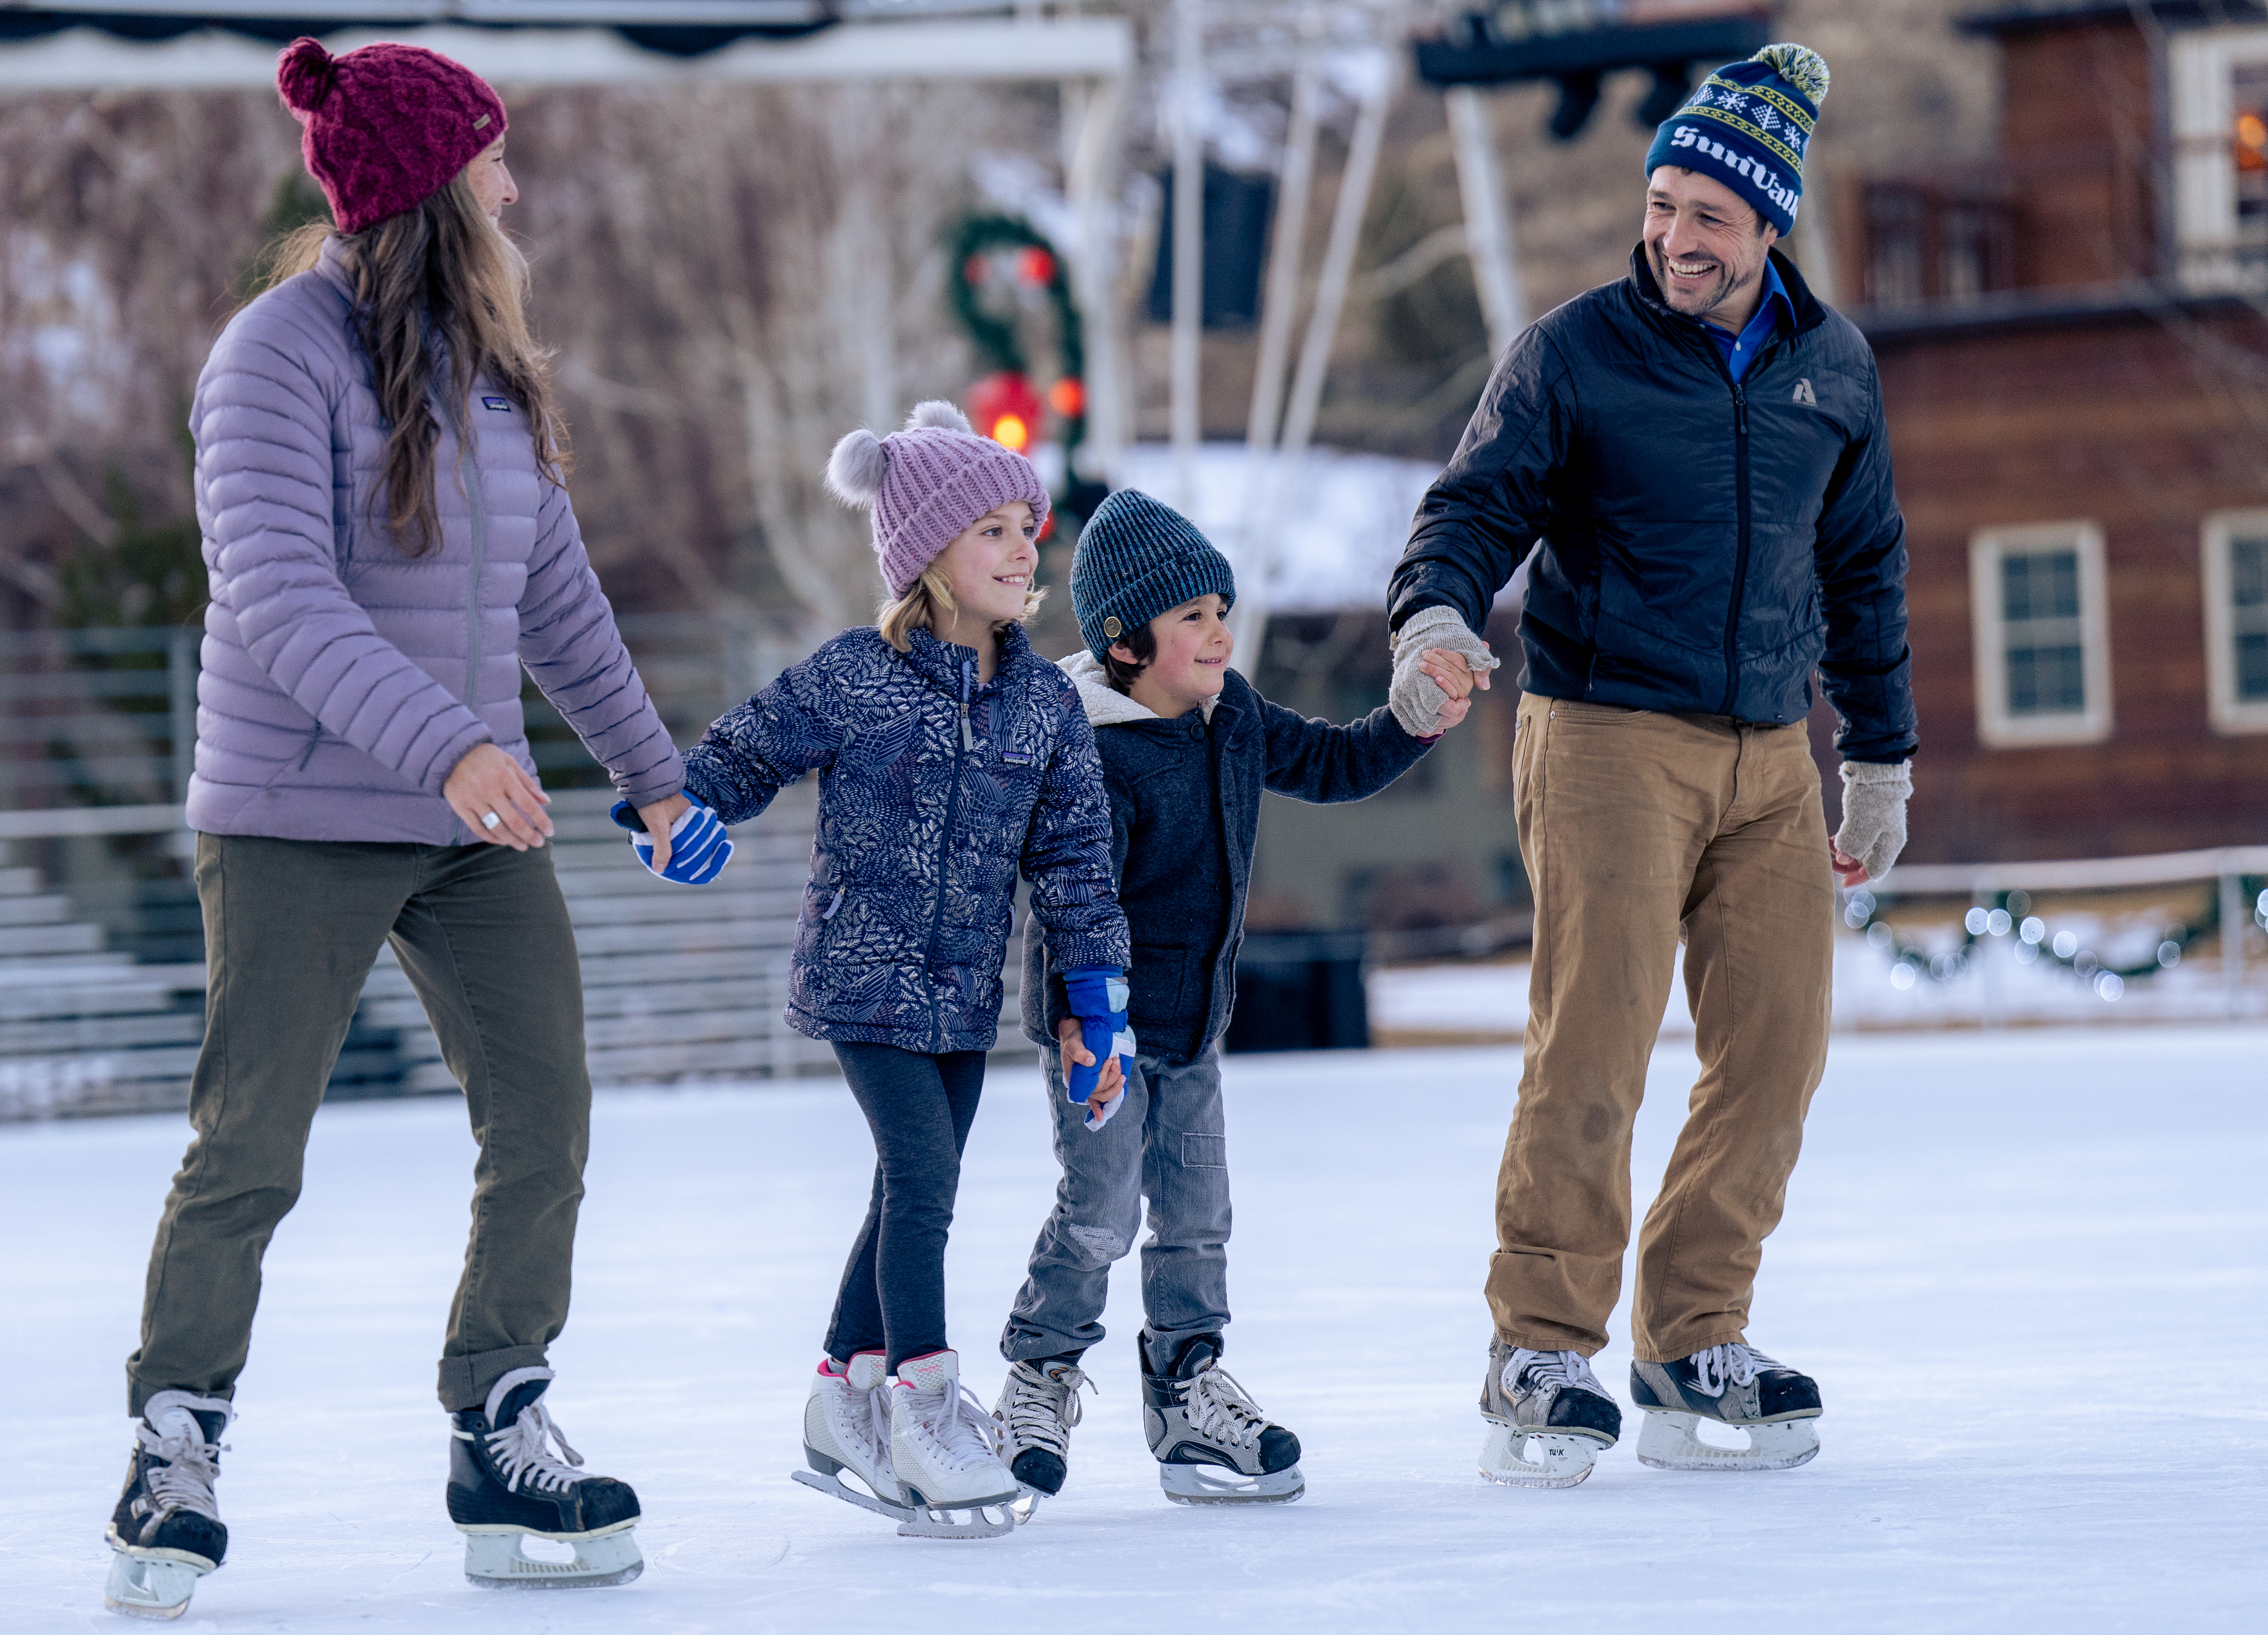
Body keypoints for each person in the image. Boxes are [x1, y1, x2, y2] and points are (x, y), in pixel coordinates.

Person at [103, 39, 700, 1617]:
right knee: (251, 1148)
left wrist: (651, 773)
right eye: (491, 163)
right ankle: (178, 1436)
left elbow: (552, 595)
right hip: (303, 810)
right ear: (434, 190)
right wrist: (448, 749)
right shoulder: (272, 355)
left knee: (544, 1112)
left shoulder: (487, 357)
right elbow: (279, 597)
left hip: (463, 815)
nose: (514, 187)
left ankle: (499, 1408)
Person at [1382, 42, 1915, 1489]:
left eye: (1710, 217)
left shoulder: (1832, 369)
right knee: (1594, 1046)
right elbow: (1472, 506)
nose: (1676, 237)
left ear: (1768, 230)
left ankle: (1695, 1336)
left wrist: (1878, 757)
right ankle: (1539, 1344)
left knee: (1776, 1051)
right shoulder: (1574, 353)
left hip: (1770, 751)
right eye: (1663, 204)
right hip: (1606, 730)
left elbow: (1863, 571)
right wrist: (1433, 616)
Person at [672, 402, 1132, 1541]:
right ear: (926, 556)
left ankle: (841, 1396)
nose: (1023, 548)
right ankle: (923, 1404)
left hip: (962, 993)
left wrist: (1094, 1009)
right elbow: (741, 749)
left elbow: (1075, 863)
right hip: (863, 978)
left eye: (1026, 526)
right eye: (990, 530)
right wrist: (672, 808)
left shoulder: (1043, 706)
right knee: (924, 1179)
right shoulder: (853, 678)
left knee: (900, 1195)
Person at [989, 490, 1481, 1509]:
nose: (1219, 631)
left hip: (1194, 1028)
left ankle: (1185, 1393)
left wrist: (1411, 720)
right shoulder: (1089, 747)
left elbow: (1338, 765)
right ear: (1125, 643)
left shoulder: (1235, 717)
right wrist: (1083, 1024)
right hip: (1104, 1031)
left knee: (1197, 1219)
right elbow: (1067, 901)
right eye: (1192, 618)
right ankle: (1038, 1377)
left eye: (1221, 607)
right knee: (1098, 1213)